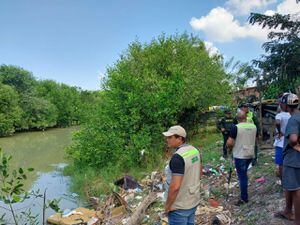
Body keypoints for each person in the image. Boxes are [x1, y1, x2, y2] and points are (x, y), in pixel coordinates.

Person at [163, 125, 202, 225]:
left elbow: (175, 187)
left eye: (170, 137)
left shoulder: (177, 158)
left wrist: (167, 207)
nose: (167, 140)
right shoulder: (194, 150)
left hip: (179, 206)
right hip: (193, 200)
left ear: (180, 138)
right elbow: (199, 173)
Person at [275, 93, 300, 224]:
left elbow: (293, 139)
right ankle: (287, 211)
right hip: (295, 159)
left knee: (296, 189)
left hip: (293, 159)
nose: (280, 105)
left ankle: (297, 220)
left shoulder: (293, 119)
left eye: (282, 103)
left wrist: (295, 145)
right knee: (290, 186)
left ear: (287, 105)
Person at [226, 111, 257, 206]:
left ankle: (244, 198)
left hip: (240, 155)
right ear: (246, 117)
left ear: (237, 118)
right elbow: (257, 139)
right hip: (250, 153)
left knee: (242, 176)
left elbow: (230, 142)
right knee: (244, 175)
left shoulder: (236, 127)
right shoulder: (253, 126)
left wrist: (229, 147)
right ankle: (244, 194)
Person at [273, 94, 291, 181]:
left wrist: (280, 132)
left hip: (281, 142)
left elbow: (277, 122)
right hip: (291, 141)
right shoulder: (292, 115)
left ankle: (283, 180)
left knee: (281, 163)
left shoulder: (280, 115)